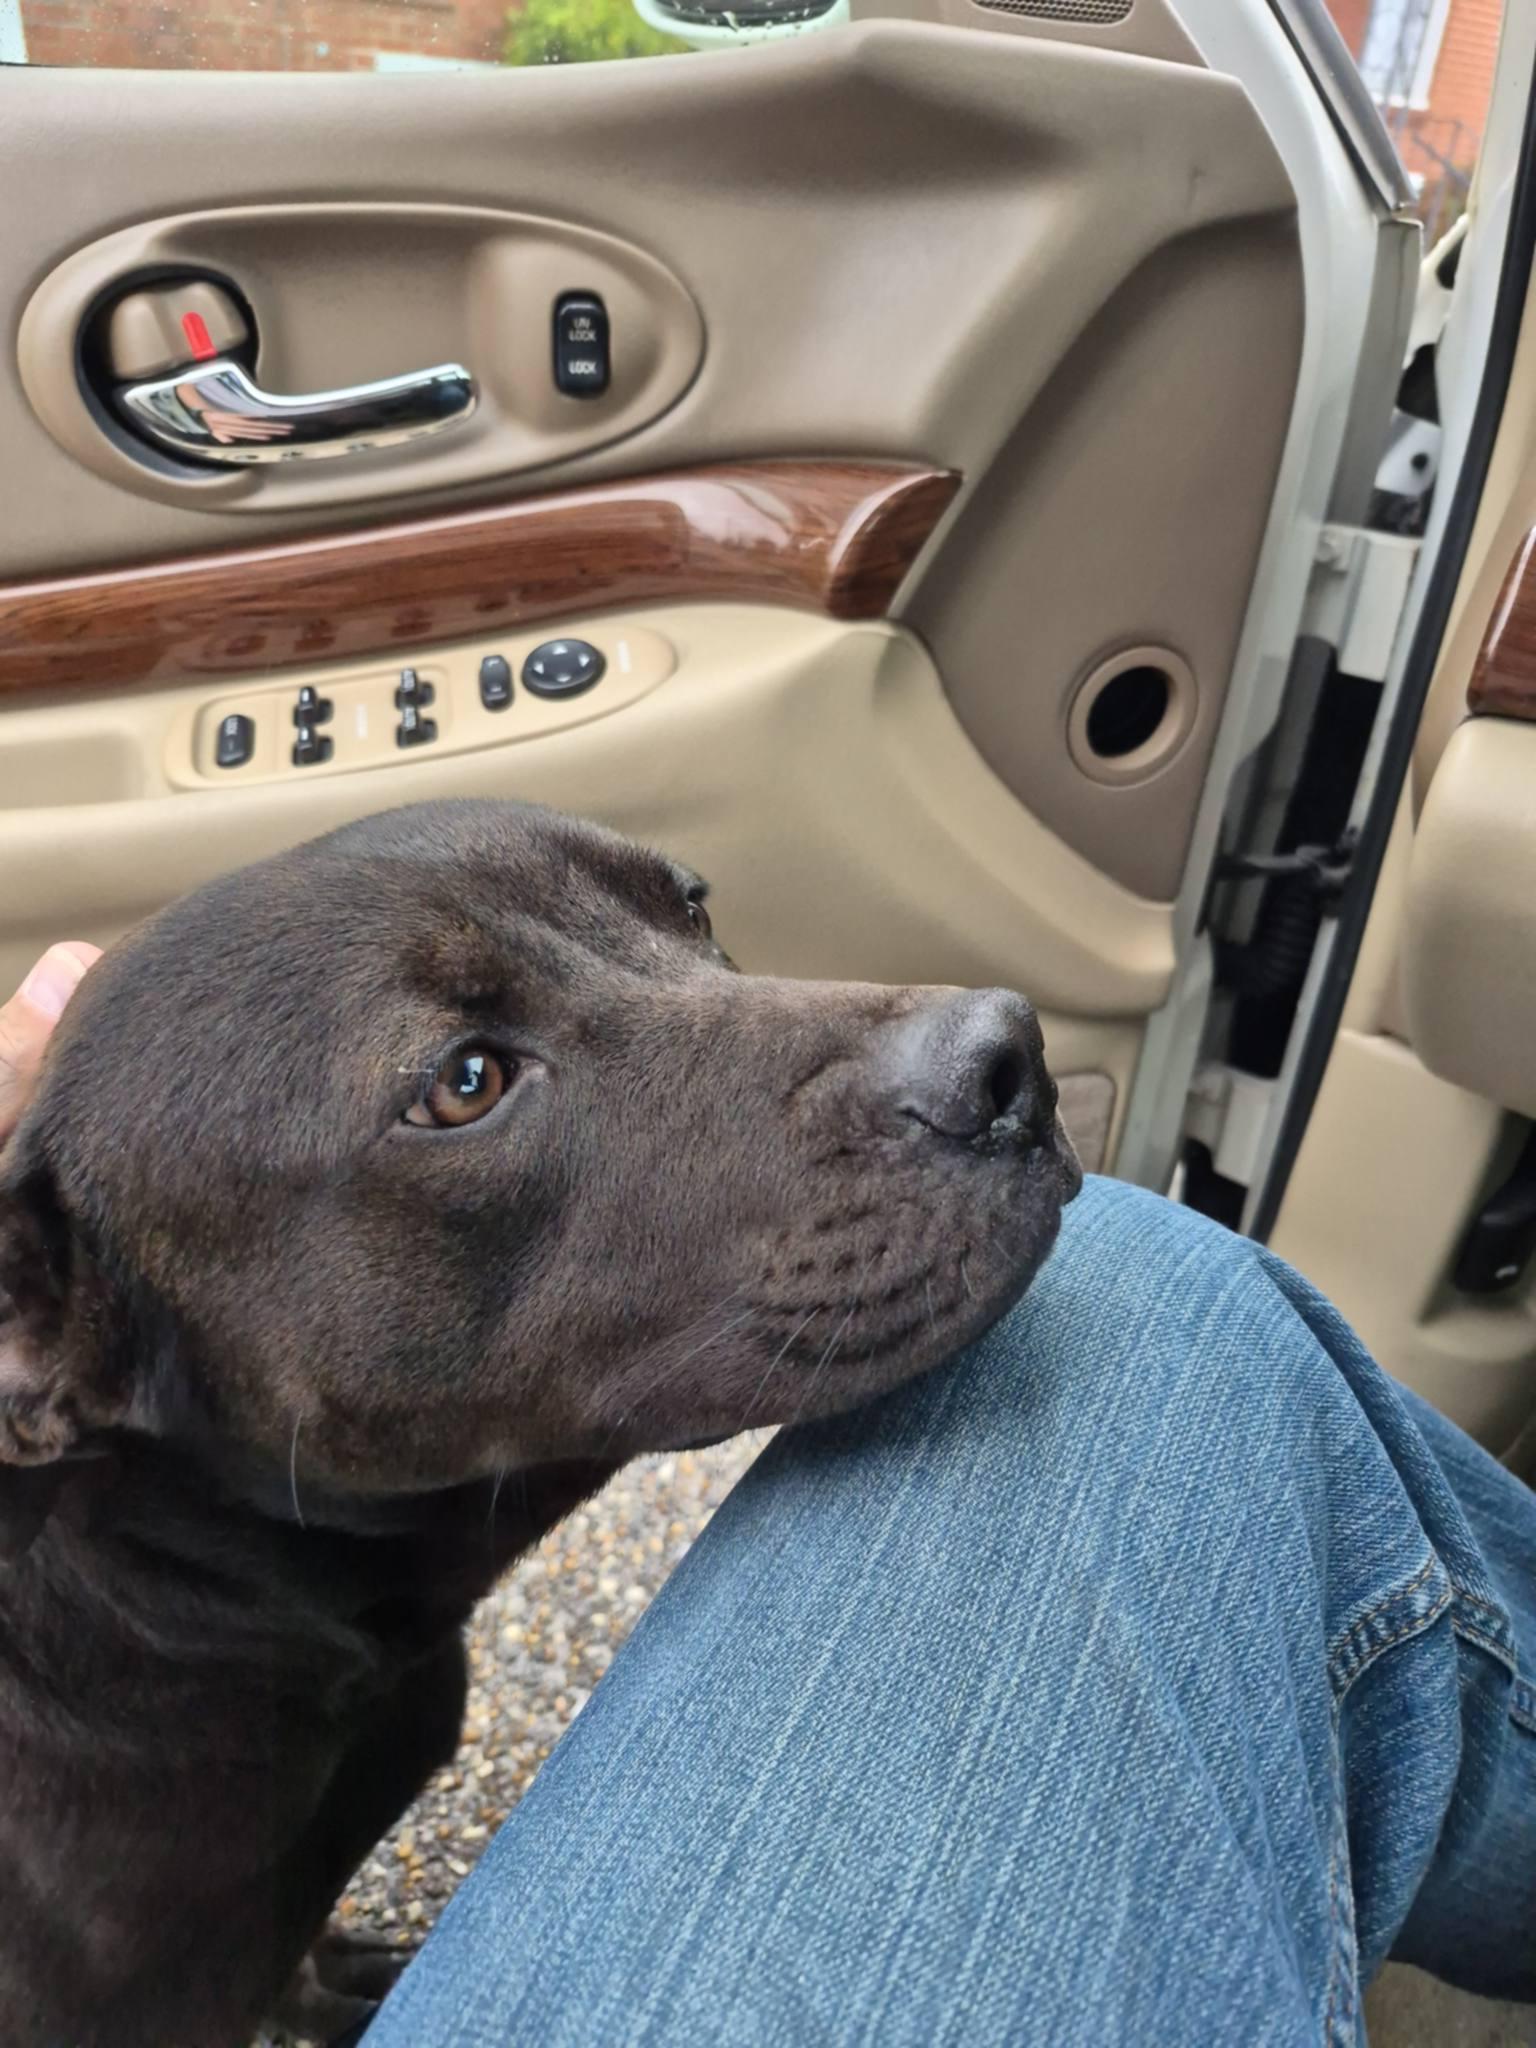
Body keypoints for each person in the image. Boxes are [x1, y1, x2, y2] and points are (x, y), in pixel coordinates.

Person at [2, 948, 1532, 2046]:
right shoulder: (71, 1926)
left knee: (1131, 1305)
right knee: (1135, 1316)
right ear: (52, 1352)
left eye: (675, 930)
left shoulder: (333, 1642)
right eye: (467, 1082)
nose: (955, 1031)